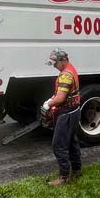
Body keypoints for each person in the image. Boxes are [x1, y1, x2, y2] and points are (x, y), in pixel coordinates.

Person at [42, 49, 82, 186]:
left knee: (58, 145)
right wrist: (52, 98)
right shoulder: (71, 69)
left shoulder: (65, 75)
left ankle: (64, 177)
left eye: (55, 64)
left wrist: (48, 104)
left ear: (63, 60)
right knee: (71, 142)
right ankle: (77, 170)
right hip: (75, 111)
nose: (54, 66)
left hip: (66, 113)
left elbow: (61, 98)